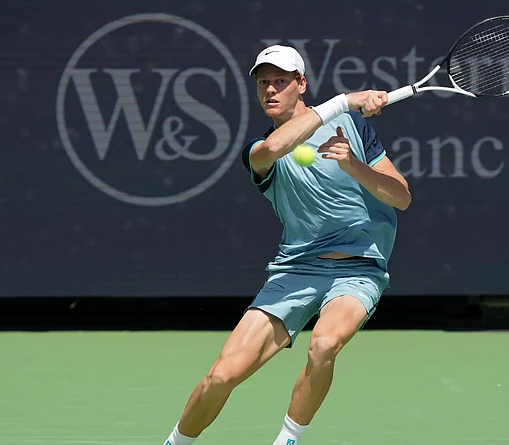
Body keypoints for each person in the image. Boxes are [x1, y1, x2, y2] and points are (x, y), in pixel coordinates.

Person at [162, 44, 411, 445]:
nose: (271, 91)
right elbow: (279, 147)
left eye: (281, 81)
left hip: (358, 269)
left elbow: (401, 197)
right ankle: (175, 442)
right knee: (222, 375)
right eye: (264, 83)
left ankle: (287, 441)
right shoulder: (260, 153)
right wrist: (345, 100)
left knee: (324, 344)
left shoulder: (356, 130)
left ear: (301, 85)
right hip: (295, 272)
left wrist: (354, 166)